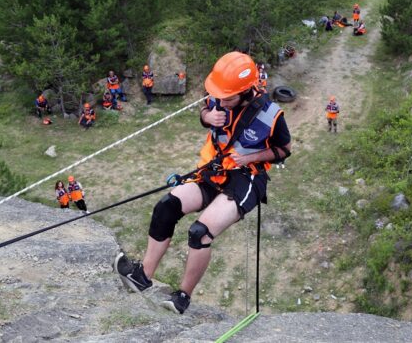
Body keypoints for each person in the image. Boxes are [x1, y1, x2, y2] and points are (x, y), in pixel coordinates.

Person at [113, 52, 292, 315]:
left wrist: (250, 157)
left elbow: (284, 149)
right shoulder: (221, 97)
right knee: (167, 206)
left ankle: (183, 297)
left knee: (200, 232)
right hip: (215, 169)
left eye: (227, 98)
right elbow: (205, 110)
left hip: (247, 178)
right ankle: (142, 277)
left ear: (246, 92)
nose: (221, 101)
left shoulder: (272, 115)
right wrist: (207, 117)